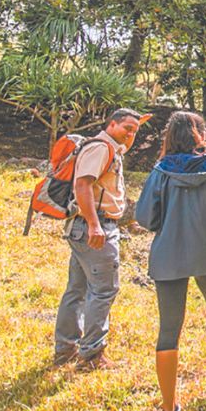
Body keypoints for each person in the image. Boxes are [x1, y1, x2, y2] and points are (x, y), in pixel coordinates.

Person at [136, 110, 206, 411]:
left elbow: (145, 217)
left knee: (169, 330)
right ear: (201, 133)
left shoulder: (160, 171)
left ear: (170, 136)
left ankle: (169, 405)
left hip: (168, 257)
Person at [54, 107, 151, 370]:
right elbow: (82, 185)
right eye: (126, 128)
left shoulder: (111, 148)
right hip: (94, 227)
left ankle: (65, 349)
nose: (131, 134)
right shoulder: (100, 148)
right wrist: (95, 226)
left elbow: (121, 146)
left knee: (77, 290)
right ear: (111, 125)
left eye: (135, 130)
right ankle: (91, 355)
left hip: (85, 226)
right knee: (104, 290)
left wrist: (134, 125)